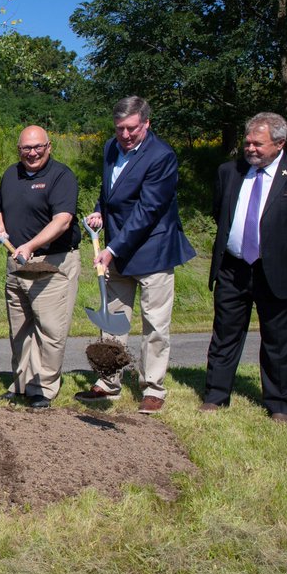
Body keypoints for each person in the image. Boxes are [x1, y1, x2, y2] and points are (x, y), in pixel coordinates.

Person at [201, 113, 287, 422]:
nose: (251, 149)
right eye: (247, 142)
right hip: (233, 268)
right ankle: (216, 396)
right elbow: (221, 214)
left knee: (278, 340)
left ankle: (279, 405)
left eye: (258, 143)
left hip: (277, 270)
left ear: (280, 143)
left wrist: (282, 250)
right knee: (225, 335)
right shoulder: (228, 172)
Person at [78, 96, 196, 414]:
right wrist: (99, 212)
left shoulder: (162, 156)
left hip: (153, 249)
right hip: (118, 250)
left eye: (131, 128)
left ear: (146, 123)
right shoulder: (109, 148)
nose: (125, 135)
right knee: (112, 321)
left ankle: (153, 387)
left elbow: (148, 210)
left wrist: (111, 249)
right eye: (120, 129)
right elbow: (109, 194)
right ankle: (108, 382)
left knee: (155, 323)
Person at [0, 126, 81, 408]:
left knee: (50, 330)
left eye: (37, 147)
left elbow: (63, 220)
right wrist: (0, 227)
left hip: (50, 263)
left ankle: (43, 387)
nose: (32, 153)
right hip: (16, 264)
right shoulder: (10, 174)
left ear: (49, 146)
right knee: (20, 329)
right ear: (19, 150)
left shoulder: (61, 176)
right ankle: (20, 384)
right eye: (26, 148)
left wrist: (29, 246)